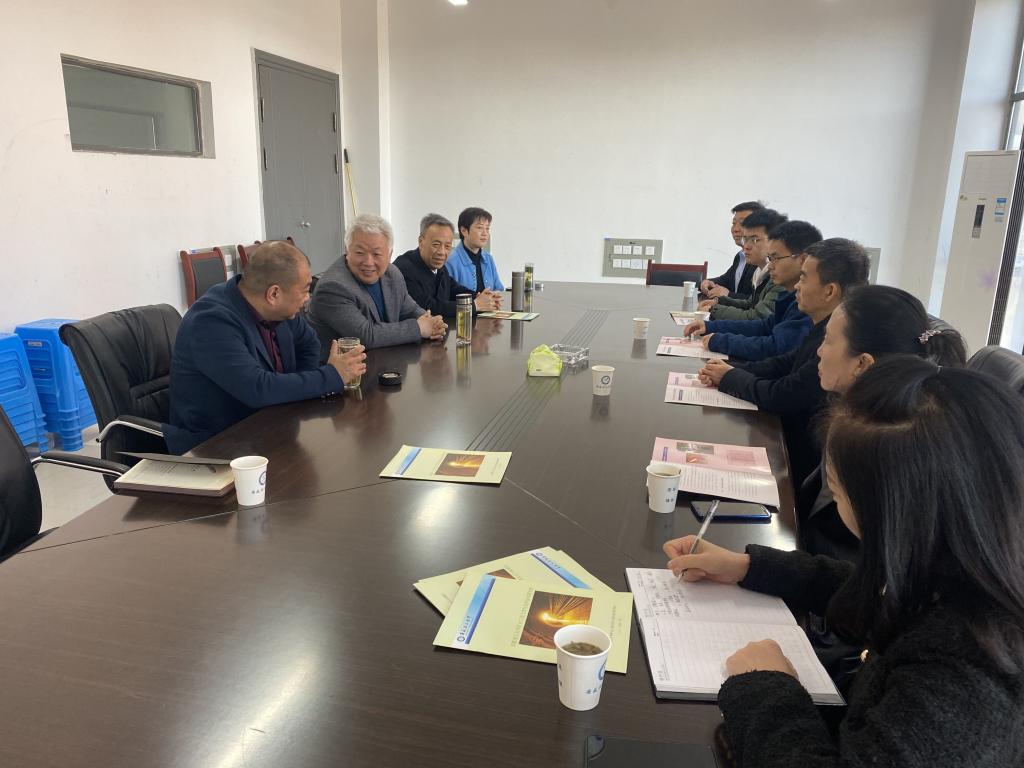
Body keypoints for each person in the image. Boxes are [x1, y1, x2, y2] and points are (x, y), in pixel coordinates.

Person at [663, 356, 1024, 767]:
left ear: (893, 514)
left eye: (836, 492)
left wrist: (766, 685)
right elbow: (877, 596)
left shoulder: (961, 682)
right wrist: (749, 567)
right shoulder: (970, 572)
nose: (835, 502)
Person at [803, 285, 967, 560]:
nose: (819, 351)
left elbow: (865, 569)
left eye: (828, 340)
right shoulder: (864, 414)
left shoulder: (884, 443)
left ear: (862, 363)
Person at [166, 241, 366, 454]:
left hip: (270, 428)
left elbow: (309, 344)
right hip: (215, 447)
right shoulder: (211, 322)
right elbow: (257, 388)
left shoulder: (281, 310)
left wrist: (294, 388)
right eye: (305, 290)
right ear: (274, 294)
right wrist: (331, 376)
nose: (308, 298)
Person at [698, 238, 869, 486]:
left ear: (830, 291)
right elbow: (784, 362)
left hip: (799, 459)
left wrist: (731, 377)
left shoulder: (839, 342)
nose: (798, 285)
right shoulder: (821, 325)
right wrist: (732, 370)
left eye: (804, 278)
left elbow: (786, 393)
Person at [307, 214, 447, 353]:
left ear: (389, 254)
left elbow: (410, 309)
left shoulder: (392, 273)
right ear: (347, 251)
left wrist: (431, 323)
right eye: (360, 253)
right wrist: (419, 328)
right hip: (345, 366)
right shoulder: (333, 287)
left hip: (387, 360)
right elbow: (365, 336)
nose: (368, 262)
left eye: (376, 254)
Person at [684, 221, 821, 361]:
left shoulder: (806, 304)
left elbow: (775, 347)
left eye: (775, 258)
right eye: (770, 258)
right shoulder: (790, 296)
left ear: (802, 259)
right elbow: (765, 326)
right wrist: (711, 326)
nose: (770, 266)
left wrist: (722, 342)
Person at [394, 213, 503, 318]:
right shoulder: (404, 269)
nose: (442, 252)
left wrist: (479, 296)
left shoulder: (438, 266)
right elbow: (427, 307)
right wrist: (474, 305)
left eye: (447, 246)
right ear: (421, 242)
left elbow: (453, 288)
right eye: (436, 245)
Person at [702, 208, 788, 320]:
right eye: (745, 239)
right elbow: (750, 304)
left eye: (755, 240)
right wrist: (718, 302)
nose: (746, 246)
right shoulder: (759, 271)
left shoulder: (782, 277)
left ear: (775, 241)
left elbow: (757, 317)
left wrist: (714, 309)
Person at [701, 201, 764, 299]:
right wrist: (707, 282)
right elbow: (726, 279)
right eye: (734, 223)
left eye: (742, 223)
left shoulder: (763, 259)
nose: (735, 229)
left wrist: (729, 295)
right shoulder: (740, 256)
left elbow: (760, 300)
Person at [445, 207, 505, 292]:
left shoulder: (488, 258)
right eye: (480, 228)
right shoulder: (450, 261)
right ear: (464, 231)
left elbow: (499, 289)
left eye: (487, 228)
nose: (485, 233)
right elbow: (446, 296)